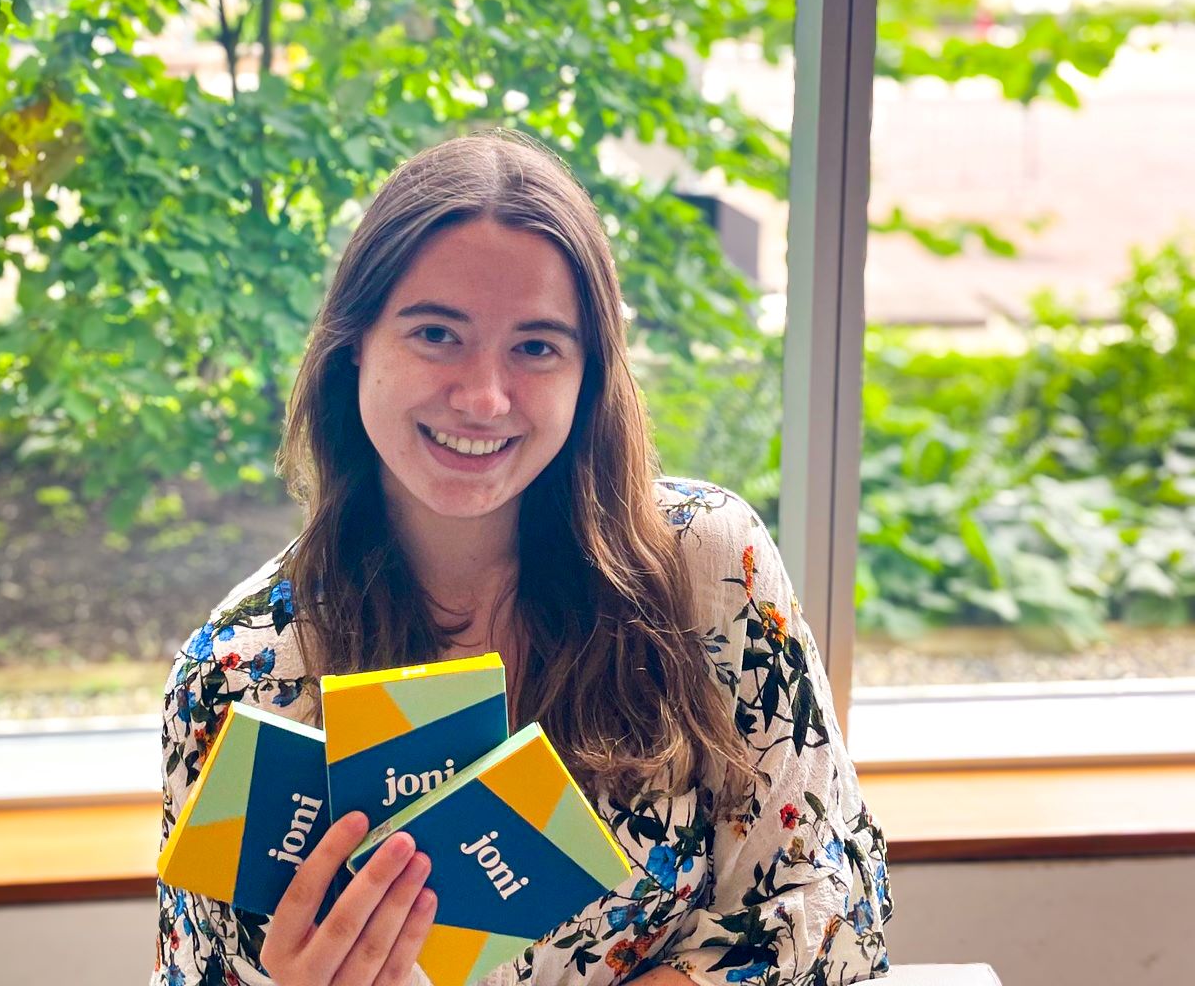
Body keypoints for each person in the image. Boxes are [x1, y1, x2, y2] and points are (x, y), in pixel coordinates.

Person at [152, 128, 892, 986]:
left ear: (590, 374)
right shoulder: (239, 674)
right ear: (354, 343)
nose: (484, 397)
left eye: (536, 346)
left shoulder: (704, 565)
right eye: (436, 333)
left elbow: (833, 906)